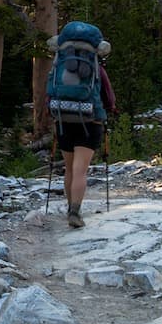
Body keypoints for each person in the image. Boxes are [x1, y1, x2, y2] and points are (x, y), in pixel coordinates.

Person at [54, 38, 116, 229]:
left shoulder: (59, 67)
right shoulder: (97, 70)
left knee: (70, 168)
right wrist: (110, 109)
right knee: (81, 170)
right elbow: (109, 98)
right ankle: (75, 211)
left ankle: (69, 208)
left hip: (63, 120)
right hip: (90, 122)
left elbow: (50, 93)